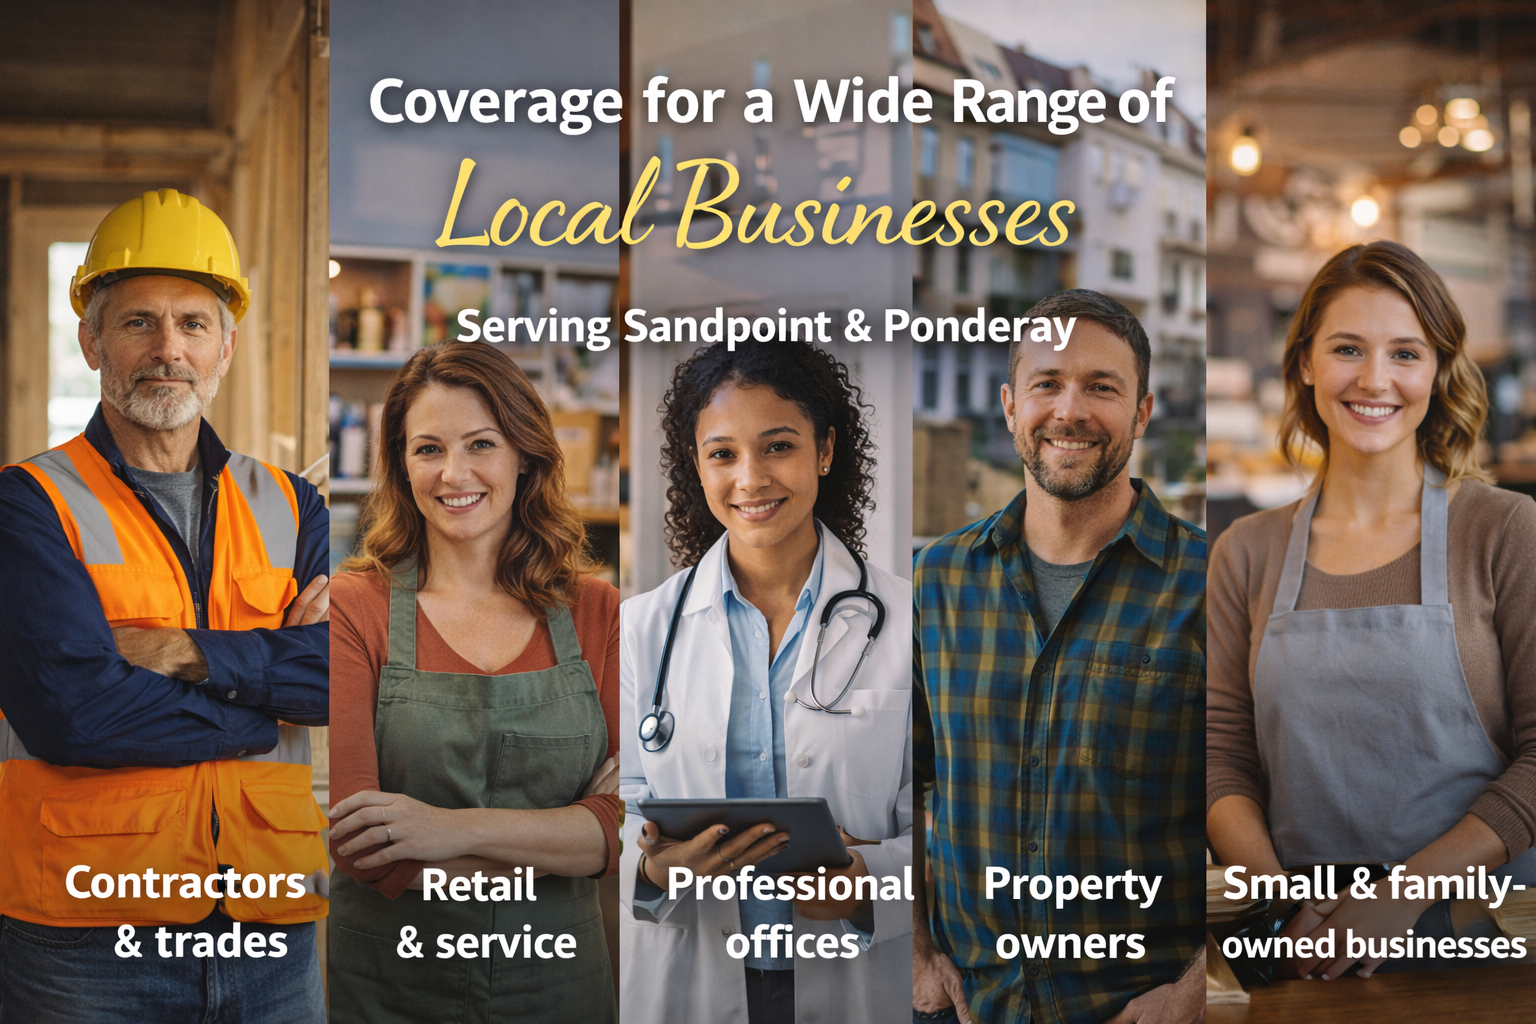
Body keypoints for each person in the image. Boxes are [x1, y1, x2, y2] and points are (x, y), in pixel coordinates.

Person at [0, 189, 331, 1023]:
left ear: (225, 347)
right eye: (138, 322)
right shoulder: (28, 503)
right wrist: (265, 708)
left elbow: (338, 679)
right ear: (91, 341)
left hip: (267, 926)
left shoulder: (294, 504)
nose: (167, 349)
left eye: (192, 323)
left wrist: (185, 652)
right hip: (88, 933)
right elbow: (71, 715)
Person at [1208, 240, 1536, 980]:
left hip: (1474, 946)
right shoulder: (1246, 551)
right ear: (1304, 363)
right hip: (1301, 950)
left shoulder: (1504, 532)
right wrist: (1281, 903)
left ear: (1438, 371)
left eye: (1406, 354)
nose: (1375, 380)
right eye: (1348, 348)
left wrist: (1399, 898)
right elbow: (1221, 755)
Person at [913, 289, 1206, 1024]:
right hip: (966, 1006)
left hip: (1136, 1007)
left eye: (1101, 387)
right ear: (1011, 405)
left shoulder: (1212, 585)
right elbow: (900, 791)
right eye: (1047, 384)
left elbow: (1265, 814)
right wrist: (916, 953)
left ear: (1142, 413)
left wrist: (1195, 991)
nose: (1070, 410)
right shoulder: (938, 579)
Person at [326, 341, 620, 1024]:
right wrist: (563, 840)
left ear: (525, 454)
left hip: (558, 984)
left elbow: (621, 828)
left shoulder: (596, 611)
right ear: (401, 465)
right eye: (427, 449)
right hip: (392, 982)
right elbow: (362, 842)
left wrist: (439, 828)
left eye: (481, 444)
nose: (453, 473)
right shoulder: (356, 604)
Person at [619, 343, 912, 1024]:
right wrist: (659, 868)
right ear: (698, 466)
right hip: (692, 974)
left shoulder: (912, 622)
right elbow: (623, 807)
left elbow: (948, 822)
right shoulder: (642, 627)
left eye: (777, 446)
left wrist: (869, 882)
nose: (750, 478)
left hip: (853, 972)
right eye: (722, 454)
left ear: (825, 450)